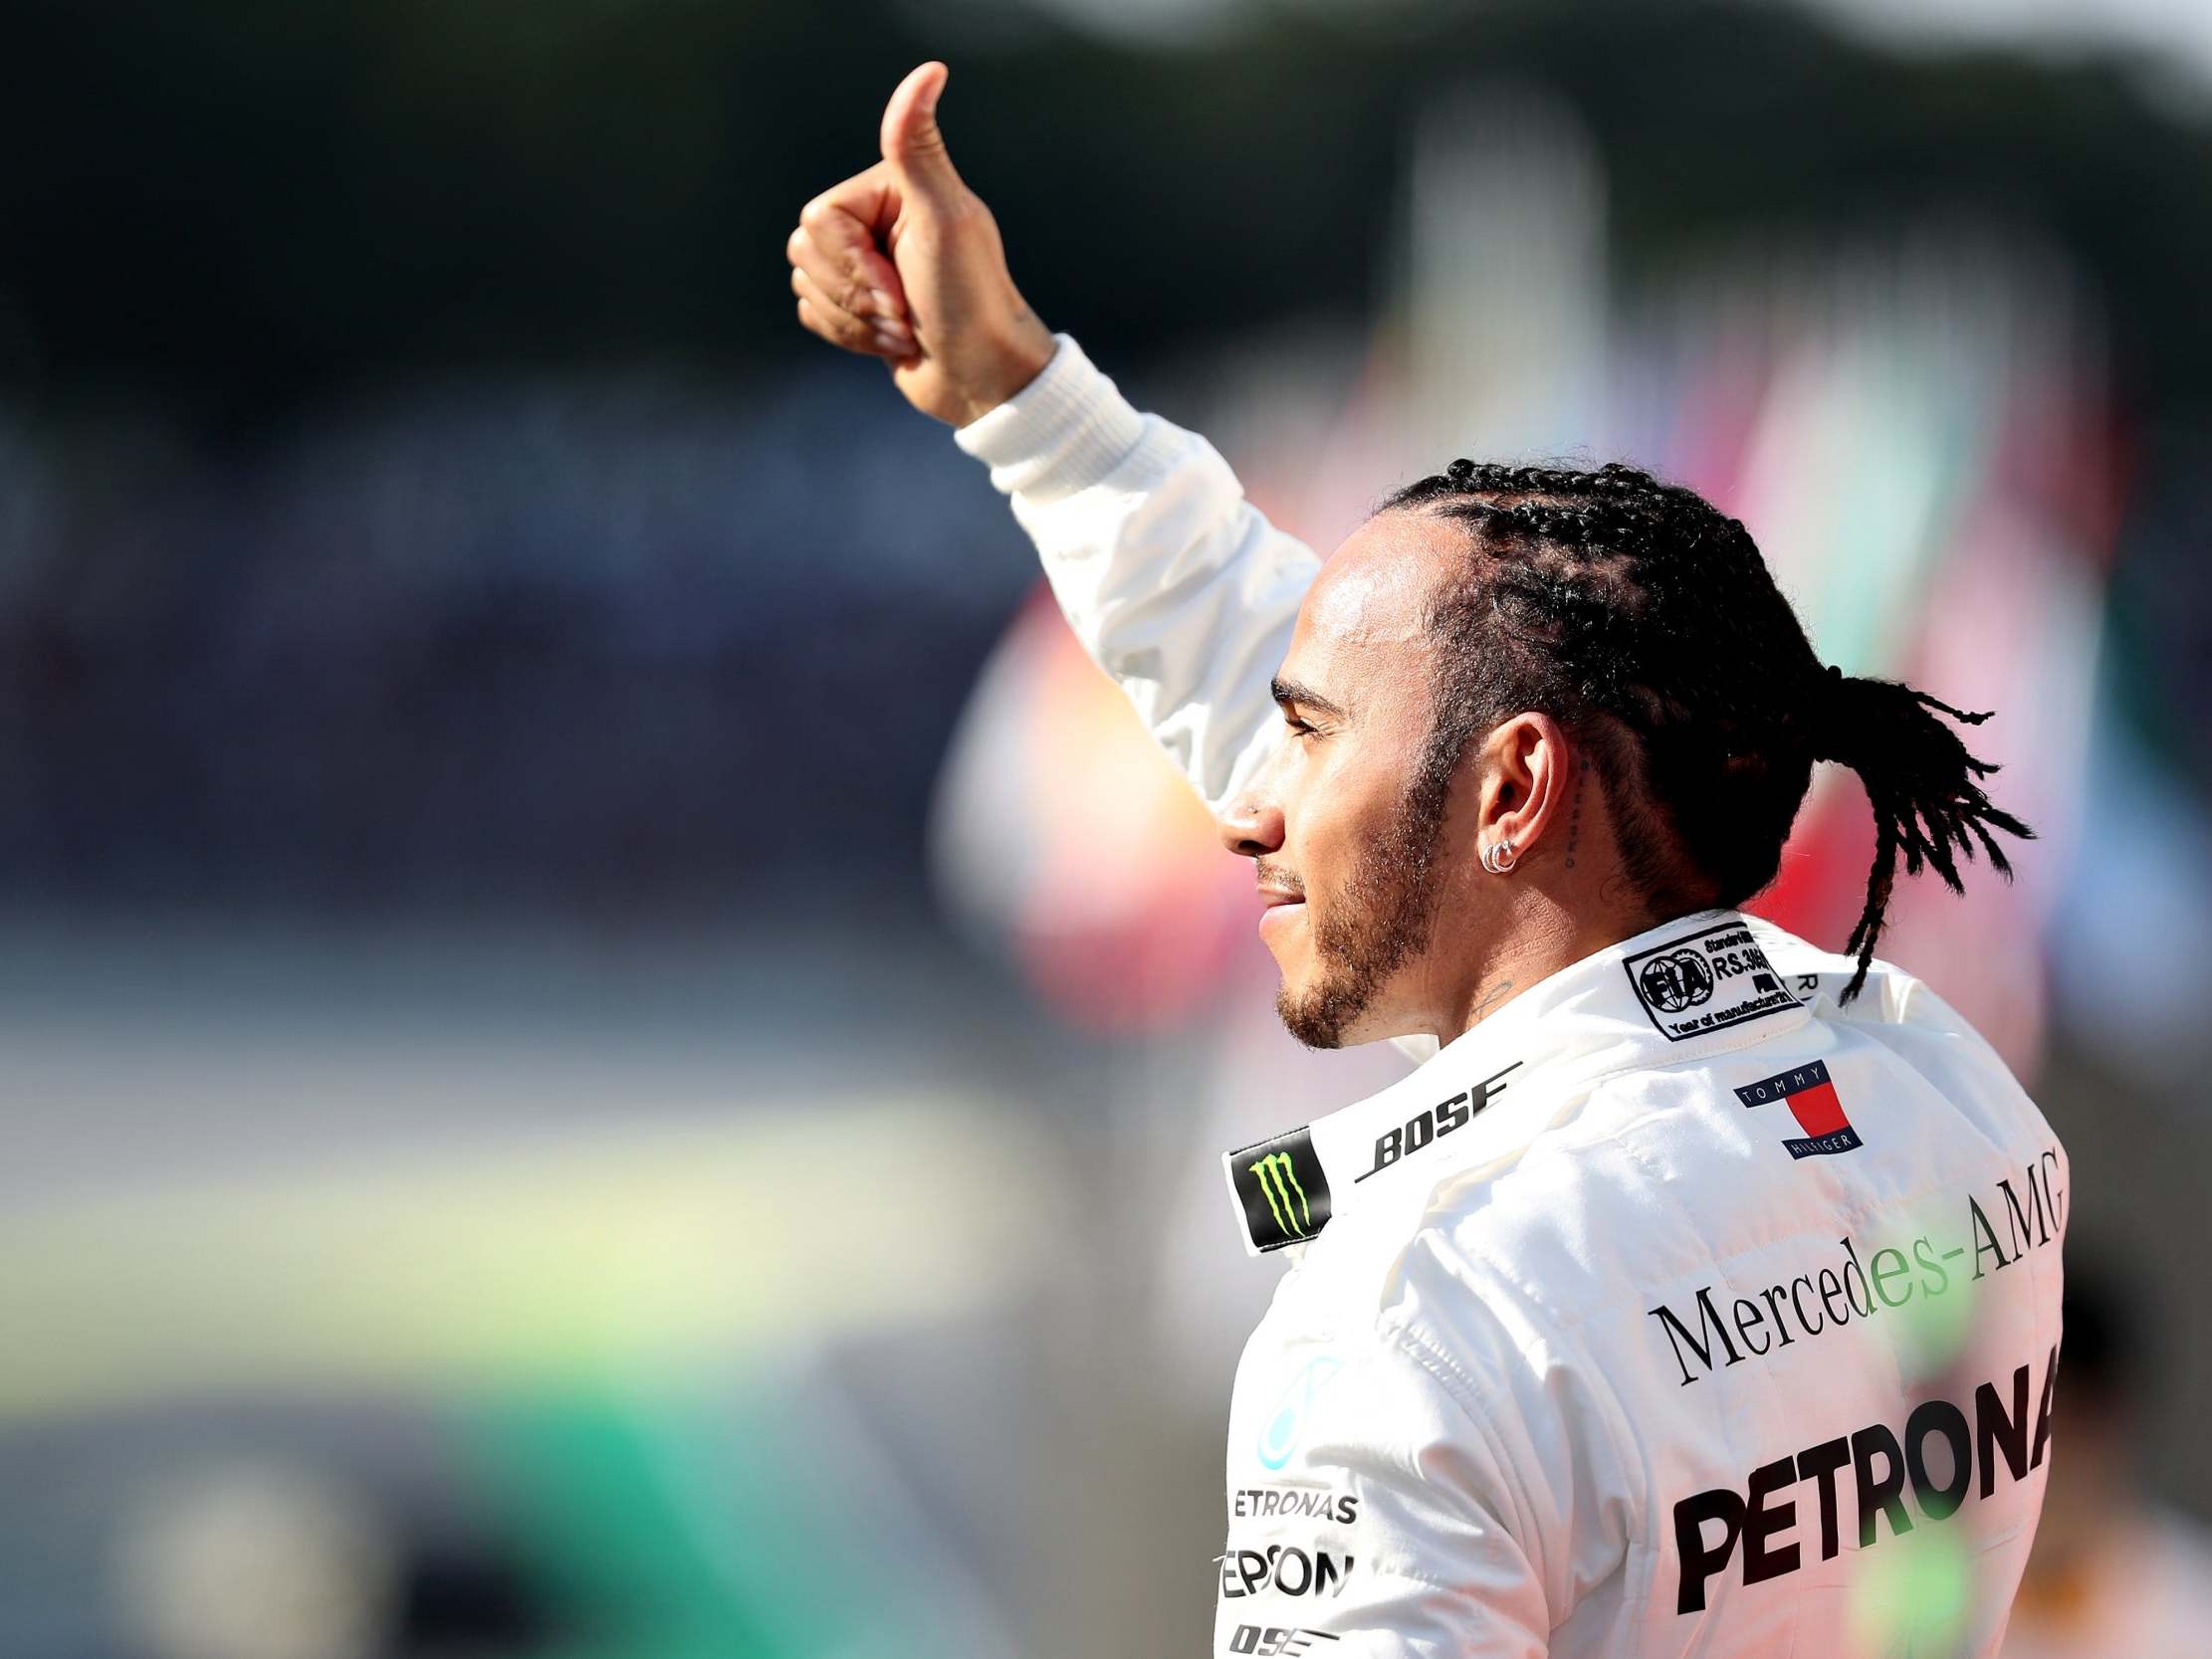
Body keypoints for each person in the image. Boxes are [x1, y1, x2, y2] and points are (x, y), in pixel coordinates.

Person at [787, 61, 2069, 1658]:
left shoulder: (1420, 1319)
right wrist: (1026, 401)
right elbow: (1353, 716)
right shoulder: (1945, 1097)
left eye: (1311, 738)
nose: (1253, 808)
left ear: (1514, 791)